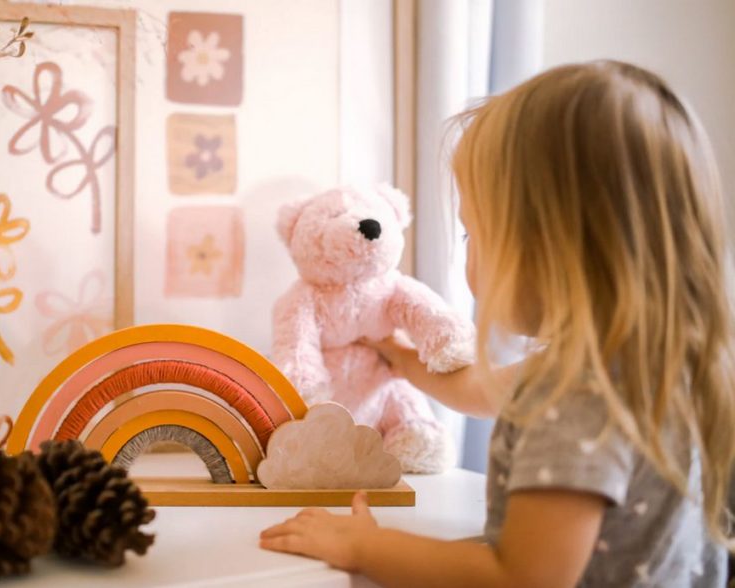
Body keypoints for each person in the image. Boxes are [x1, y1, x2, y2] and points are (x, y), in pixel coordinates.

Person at [260, 60, 735, 587]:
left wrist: (364, 545)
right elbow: (477, 391)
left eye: (472, 234)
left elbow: (521, 578)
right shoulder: (656, 362)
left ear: (550, 246)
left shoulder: (578, 396)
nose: (469, 255)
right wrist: (397, 355)